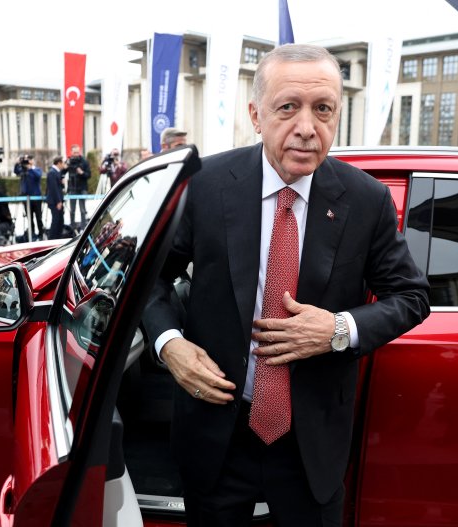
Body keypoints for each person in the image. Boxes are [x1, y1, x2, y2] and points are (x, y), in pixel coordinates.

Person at [143, 44, 430, 526]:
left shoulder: (367, 200)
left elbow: (412, 297)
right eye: (288, 107)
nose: (306, 127)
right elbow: (150, 279)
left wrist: (338, 329)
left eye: (323, 109)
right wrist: (170, 345)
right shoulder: (206, 185)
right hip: (217, 432)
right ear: (256, 115)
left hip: (311, 441)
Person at [14, 155, 44, 240]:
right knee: (29, 218)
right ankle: (32, 234)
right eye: (27, 160)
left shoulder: (36, 169)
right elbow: (16, 171)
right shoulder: (23, 170)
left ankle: (41, 234)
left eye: (30, 159)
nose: (28, 161)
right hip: (26, 198)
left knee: (38, 217)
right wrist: (17, 163)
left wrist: (30, 168)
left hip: (36, 197)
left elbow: (38, 176)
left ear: (33, 161)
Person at [64, 144, 91, 227]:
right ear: (71, 152)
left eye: (77, 152)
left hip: (82, 188)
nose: (76, 154)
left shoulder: (84, 161)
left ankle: (83, 227)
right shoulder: (68, 161)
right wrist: (65, 167)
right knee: (72, 210)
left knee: (83, 210)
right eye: (74, 152)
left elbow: (89, 175)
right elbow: (61, 173)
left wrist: (82, 173)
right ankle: (72, 227)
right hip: (72, 188)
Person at [46, 155, 66, 239]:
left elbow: (58, 186)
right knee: (56, 220)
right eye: (63, 163)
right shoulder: (52, 172)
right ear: (59, 163)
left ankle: (57, 237)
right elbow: (53, 188)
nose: (64, 165)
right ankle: (52, 238)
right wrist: (58, 201)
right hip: (55, 202)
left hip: (58, 201)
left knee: (60, 220)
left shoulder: (57, 172)